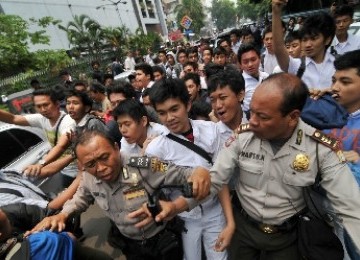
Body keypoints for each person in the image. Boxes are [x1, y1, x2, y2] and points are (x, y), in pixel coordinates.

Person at [208, 72, 360, 259]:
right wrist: (184, 199)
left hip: (287, 238)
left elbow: (352, 208)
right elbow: (216, 178)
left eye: (262, 116)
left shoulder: (319, 148)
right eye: (252, 112)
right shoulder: (243, 136)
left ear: (292, 117)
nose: (253, 121)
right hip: (244, 231)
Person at [26, 129, 210, 260]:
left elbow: (183, 173)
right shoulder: (88, 177)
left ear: (116, 147)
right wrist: (63, 214)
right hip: (130, 245)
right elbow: (80, 197)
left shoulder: (144, 163)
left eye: (104, 157)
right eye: (90, 164)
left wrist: (199, 171)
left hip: (163, 241)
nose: (101, 168)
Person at [145, 79, 232, 260]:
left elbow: (220, 178)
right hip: (185, 217)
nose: (169, 118)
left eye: (174, 109)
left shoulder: (211, 131)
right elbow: (161, 176)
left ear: (188, 104)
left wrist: (230, 221)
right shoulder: (155, 150)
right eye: (162, 113)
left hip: (215, 212)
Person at [0, 88, 76, 177]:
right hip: (63, 170)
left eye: (46, 105)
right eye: (39, 106)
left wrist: (41, 163)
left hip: (79, 170)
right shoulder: (41, 119)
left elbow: (61, 146)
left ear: (57, 104)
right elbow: (13, 119)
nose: (43, 109)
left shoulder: (68, 121)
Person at [272, 0, 336, 89]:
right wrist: (276, 12)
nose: (308, 44)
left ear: (327, 40)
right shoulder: (296, 66)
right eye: (304, 39)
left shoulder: (339, 65)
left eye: (314, 38)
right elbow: (278, 48)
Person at [237, 44, 269, 117]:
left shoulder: (266, 77)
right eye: (245, 62)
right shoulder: (239, 84)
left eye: (253, 59)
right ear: (240, 65)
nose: (250, 64)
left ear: (259, 59)